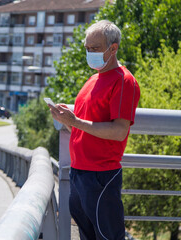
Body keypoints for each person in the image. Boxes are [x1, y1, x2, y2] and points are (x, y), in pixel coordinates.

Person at [48, 20, 140, 239]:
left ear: (113, 48)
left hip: (101, 176)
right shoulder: (92, 80)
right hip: (79, 173)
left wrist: (76, 121)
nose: (90, 53)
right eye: (87, 48)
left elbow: (119, 132)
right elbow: (84, 131)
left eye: (95, 48)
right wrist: (67, 120)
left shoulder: (123, 81)